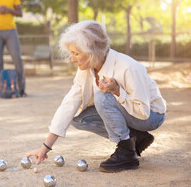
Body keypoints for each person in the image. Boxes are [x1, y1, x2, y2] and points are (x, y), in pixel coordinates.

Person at [27, 20, 166, 173]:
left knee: (102, 98)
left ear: (91, 51)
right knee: (79, 117)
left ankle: (127, 152)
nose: (72, 59)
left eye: (76, 53)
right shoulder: (87, 69)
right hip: (133, 112)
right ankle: (135, 138)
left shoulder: (128, 67)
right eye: (72, 53)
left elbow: (143, 112)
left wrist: (117, 90)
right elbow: (70, 103)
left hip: (151, 116)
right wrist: (46, 147)